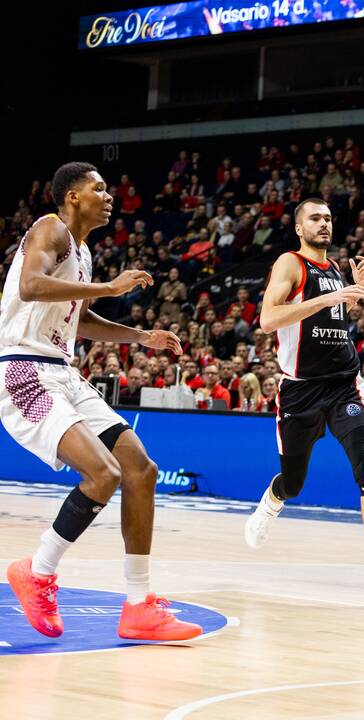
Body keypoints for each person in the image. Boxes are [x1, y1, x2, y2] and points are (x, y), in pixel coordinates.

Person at [1, 162, 201, 641]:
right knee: (103, 473)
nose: (108, 196)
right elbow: (31, 286)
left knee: (139, 468)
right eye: (99, 188)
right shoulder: (50, 230)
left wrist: (141, 337)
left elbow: (78, 321)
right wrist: (111, 288)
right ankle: (39, 570)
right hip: (23, 369)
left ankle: (137, 606)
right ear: (71, 196)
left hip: (62, 371)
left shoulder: (84, 253)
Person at [243, 197, 364, 612]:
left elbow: (330, 320)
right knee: (294, 482)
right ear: (299, 228)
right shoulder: (291, 264)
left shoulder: (335, 269)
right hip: (300, 390)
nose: (324, 224)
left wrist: (358, 294)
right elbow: (268, 319)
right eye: (315, 218)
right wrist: (325, 300)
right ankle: (274, 499)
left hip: (343, 385)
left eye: (329, 218)